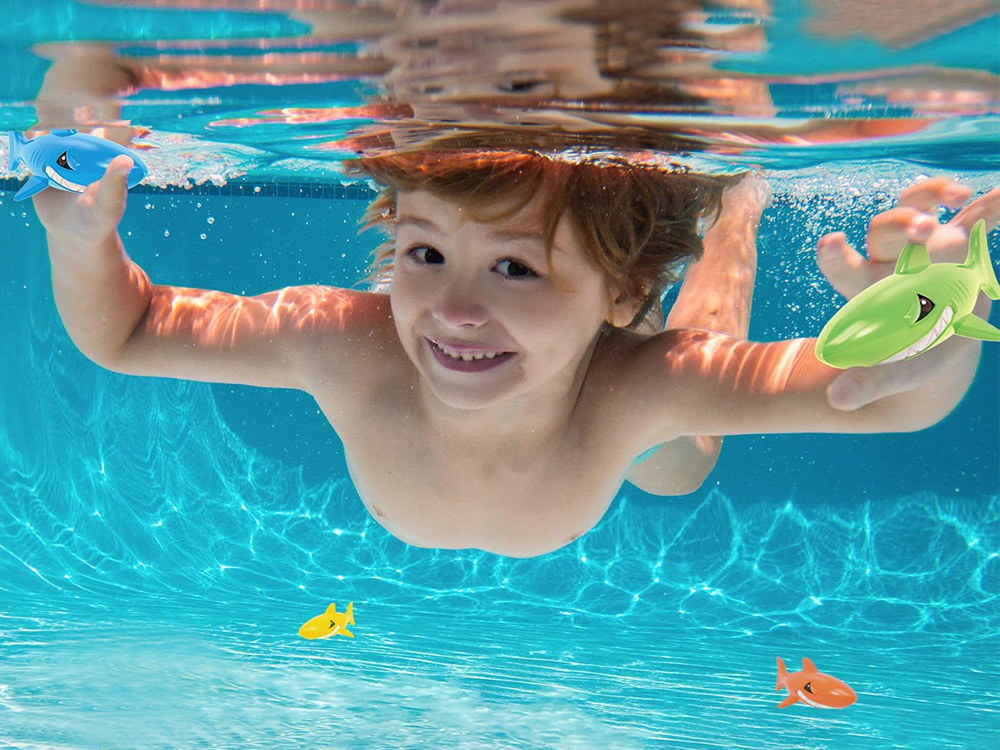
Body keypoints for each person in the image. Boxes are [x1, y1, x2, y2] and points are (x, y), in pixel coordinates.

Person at [30, 148, 995, 558]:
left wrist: (929, 324)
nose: (455, 310)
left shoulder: (640, 389)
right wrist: (81, 244)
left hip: (632, 423)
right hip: (596, 365)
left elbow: (887, 397)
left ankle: (733, 210)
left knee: (681, 441)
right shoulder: (341, 342)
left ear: (617, 295)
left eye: (516, 268)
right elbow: (131, 328)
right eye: (425, 254)